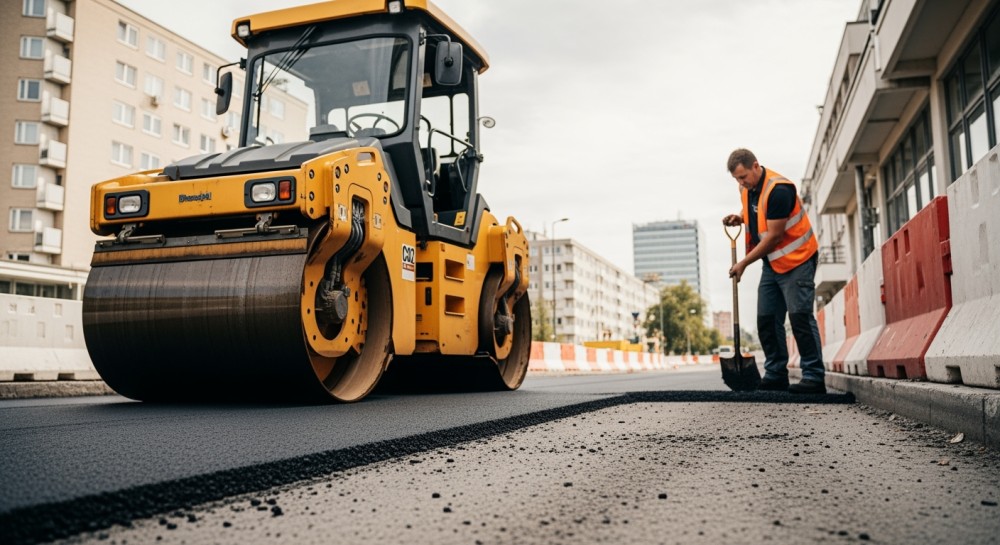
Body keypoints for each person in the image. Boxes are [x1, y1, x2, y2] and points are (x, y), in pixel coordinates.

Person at [722, 148, 826, 394]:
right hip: (773, 264)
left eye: (743, 176)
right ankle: (776, 374)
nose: (741, 182)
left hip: (798, 260)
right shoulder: (747, 189)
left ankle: (814, 376)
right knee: (766, 319)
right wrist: (740, 218)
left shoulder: (780, 190)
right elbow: (756, 212)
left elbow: (773, 236)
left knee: (800, 317)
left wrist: (743, 263)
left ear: (756, 166)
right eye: (737, 179)